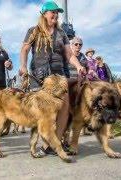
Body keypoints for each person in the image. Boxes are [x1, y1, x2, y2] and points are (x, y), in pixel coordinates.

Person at [19, 1, 86, 154]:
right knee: (43, 112)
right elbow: (25, 49)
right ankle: (49, 143)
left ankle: (52, 144)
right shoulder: (34, 31)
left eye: (57, 12)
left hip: (58, 75)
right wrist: (23, 65)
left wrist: (79, 66)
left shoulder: (61, 33)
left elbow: (69, 55)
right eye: (52, 12)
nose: (55, 14)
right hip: (39, 75)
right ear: (44, 14)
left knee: (64, 107)